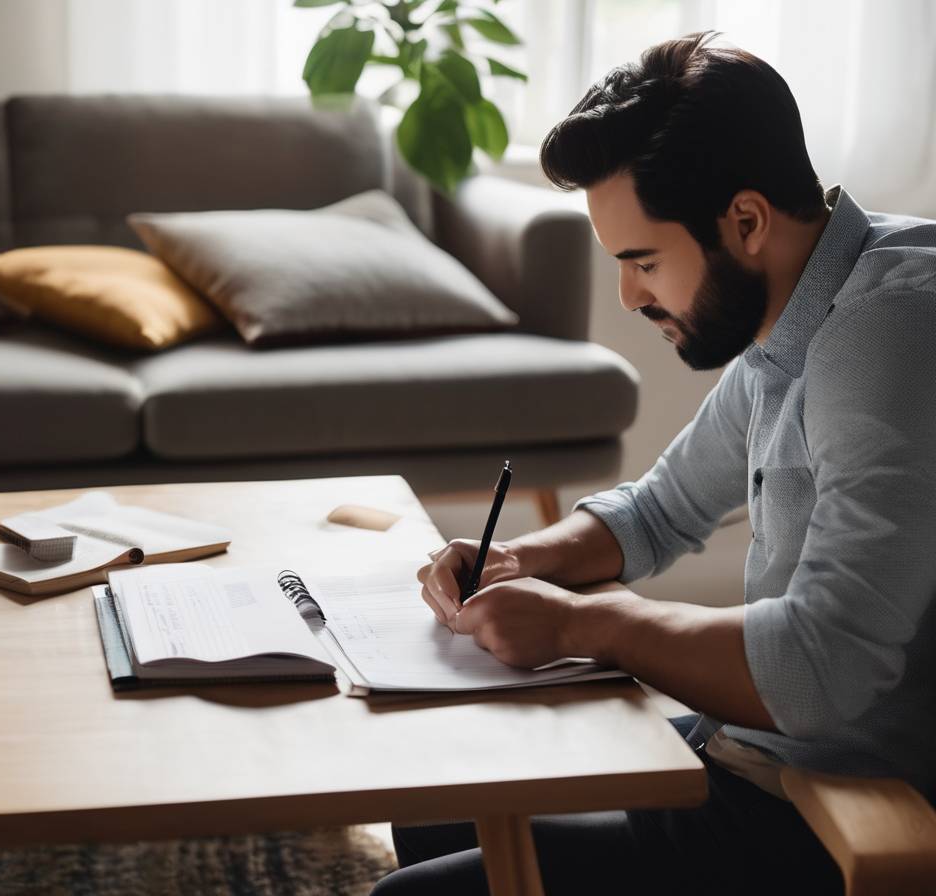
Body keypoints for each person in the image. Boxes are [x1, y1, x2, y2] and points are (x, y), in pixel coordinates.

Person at [372, 30, 936, 896]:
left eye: (642, 261)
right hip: (748, 754)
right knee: (434, 803)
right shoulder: (792, 313)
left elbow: (820, 665)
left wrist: (574, 626)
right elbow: (659, 509)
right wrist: (523, 561)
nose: (631, 297)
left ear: (745, 220)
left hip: (836, 807)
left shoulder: (887, 334)